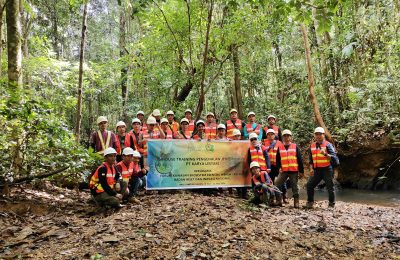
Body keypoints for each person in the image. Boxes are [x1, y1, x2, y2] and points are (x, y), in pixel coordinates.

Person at [306, 127, 339, 208]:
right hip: (317, 170)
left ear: (324, 135)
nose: (318, 136)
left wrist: (325, 154)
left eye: (320, 134)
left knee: (330, 187)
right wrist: (311, 169)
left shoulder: (328, 145)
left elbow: (334, 158)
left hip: (327, 169)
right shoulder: (312, 145)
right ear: (314, 135)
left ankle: (332, 204)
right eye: (316, 134)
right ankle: (310, 202)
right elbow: (311, 160)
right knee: (309, 185)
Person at [275, 129, 304, 208]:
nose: (286, 137)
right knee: (277, 184)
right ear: (282, 137)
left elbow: (300, 159)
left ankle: (296, 202)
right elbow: (277, 160)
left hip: (293, 170)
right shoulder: (280, 147)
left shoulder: (295, 146)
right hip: (284, 171)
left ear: (291, 137)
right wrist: (279, 168)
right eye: (285, 136)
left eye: (288, 135)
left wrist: (301, 171)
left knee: (294, 186)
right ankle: (279, 200)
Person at [263, 129, 287, 203]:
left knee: (282, 181)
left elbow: (283, 153)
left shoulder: (279, 143)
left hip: (278, 165)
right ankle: (272, 196)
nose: (270, 136)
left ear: (274, 135)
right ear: (266, 136)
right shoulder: (264, 143)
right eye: (268, 134)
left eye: (272, 134)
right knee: (271, 181)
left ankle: (284, 196)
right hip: (269, 166)